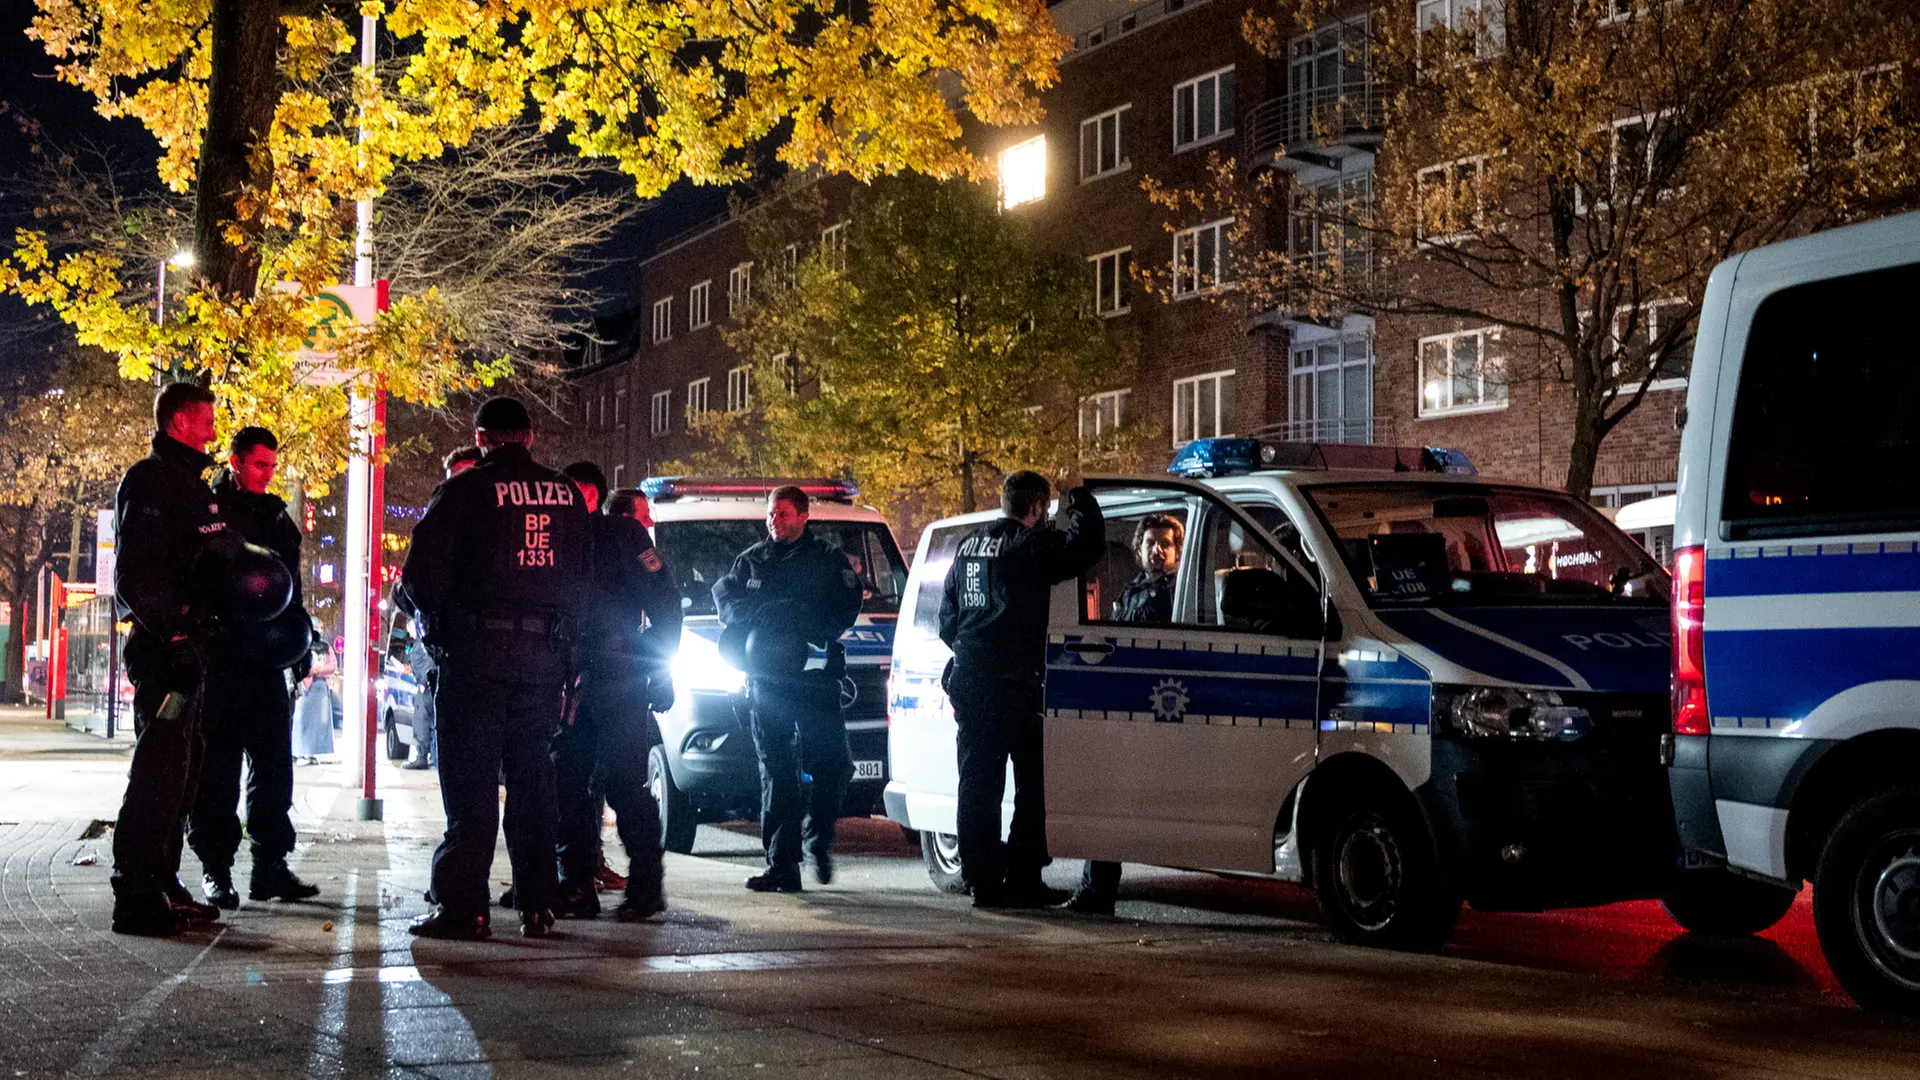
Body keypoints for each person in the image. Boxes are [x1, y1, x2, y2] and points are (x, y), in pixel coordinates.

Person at [401, 396, 593, 941]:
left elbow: (420, 579)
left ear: (480, 439)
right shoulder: (566, 496)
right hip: (543, 658)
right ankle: (537, 904)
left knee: (471, 783)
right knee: (533, 781)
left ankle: (466, 906)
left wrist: (441, 621)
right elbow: (585, 582)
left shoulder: (466, 489)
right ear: (529, 438)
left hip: (477, 656)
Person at [938, 471, 1103, 909]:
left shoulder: (969, 545)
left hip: (972, 680)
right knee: (1033, 785)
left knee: (978, 785)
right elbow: (1085, 549)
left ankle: (982, 881)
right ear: (1036, 508)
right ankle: (1024, 877)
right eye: (1045, 510)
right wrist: (1079, 496)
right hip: (1014, 685)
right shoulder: (1029, 545)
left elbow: (947, 617)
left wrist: (971, 651)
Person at [108, 382, 230, 935]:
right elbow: (135, 575)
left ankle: (163, 881)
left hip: (189, 648)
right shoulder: (151, 481)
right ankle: (135, 894)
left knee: (183, 767)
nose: (213, 428)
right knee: (158, 769)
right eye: (206, 418)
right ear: (179, 421)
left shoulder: (190, 484)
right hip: (164, 651)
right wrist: (175, 635)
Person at [188, 427, 320, 909]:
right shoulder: (210, 512)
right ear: (236, 462)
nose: (268, 474)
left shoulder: (277, 517)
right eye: (260, 464)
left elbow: (291, 588)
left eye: (272, 465)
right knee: (218, 770)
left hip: (267, 659)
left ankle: (270, 866)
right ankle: (216, 869)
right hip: (222, 659)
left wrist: (301, 644)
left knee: (274, 768)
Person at [712, 486, 863, 893]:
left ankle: (818, 838)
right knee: (777, 771)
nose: (774, 521)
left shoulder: (827, 559)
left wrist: (802, 622)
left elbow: (847, 606)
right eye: (770, 514)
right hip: (767, 680)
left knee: (833, 765)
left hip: (814, 677)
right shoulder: (752, 560)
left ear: (803, 516)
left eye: (782, 513)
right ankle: (782, 865)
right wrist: (759, 617)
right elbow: (725, 600)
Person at [551, 461, 682, 921]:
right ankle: (576, 884)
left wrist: (658, 669)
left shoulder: (622, 536)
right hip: (570, 678)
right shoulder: (557, 536)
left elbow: (665, 604)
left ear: (589, 493)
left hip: (617, 677)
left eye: (569, 492)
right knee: (568, 785)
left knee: (625, 784)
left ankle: (646, 887)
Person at [1066, 512, 1184, 916]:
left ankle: (1096, 890)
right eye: (1150, 543)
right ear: (1139, 548)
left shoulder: (1175, 591)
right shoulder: (1134, 588)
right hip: (1128, 703)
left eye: (1165, 544)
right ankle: (1096, 888)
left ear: (1177, 551)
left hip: (1154, 704)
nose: (1157, 550)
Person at [402, 449, 480, 771]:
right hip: (457, 646)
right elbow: (412, 582)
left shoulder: (453, 512)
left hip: (471, 650)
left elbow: (415, 580)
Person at [294, 638, 337, 763]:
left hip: (321, 688)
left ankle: (311, 753)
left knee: (319, 723)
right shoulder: (302, 644)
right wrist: (313, 670)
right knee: (302, 720)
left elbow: (332, 666)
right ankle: (299, 752)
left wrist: (318, 669)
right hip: (305, 688)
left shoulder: (325, 647)